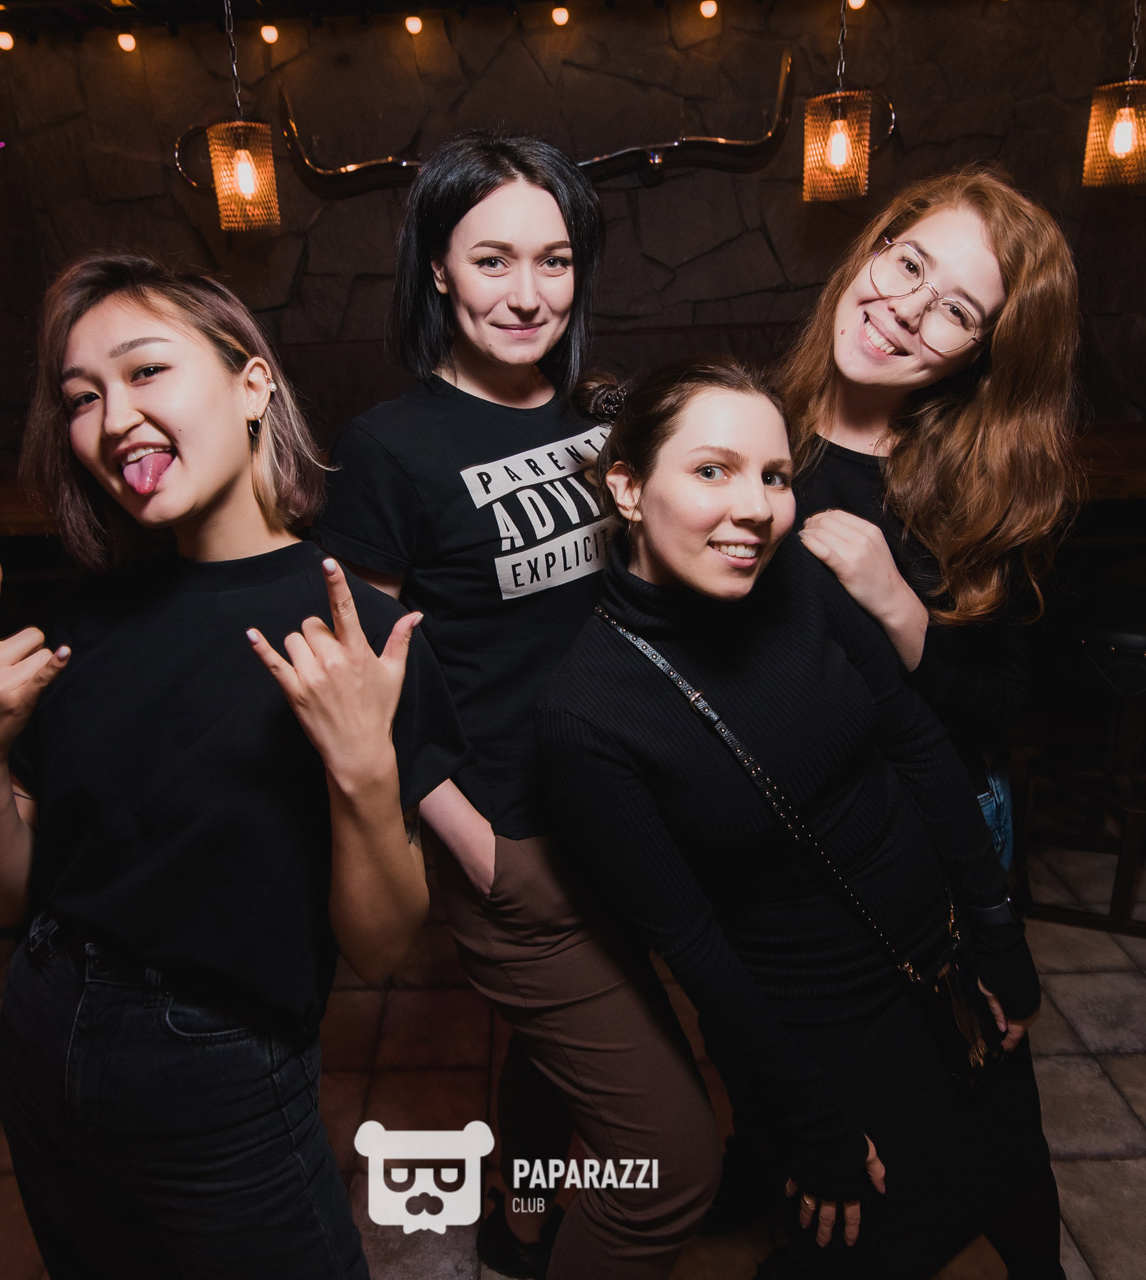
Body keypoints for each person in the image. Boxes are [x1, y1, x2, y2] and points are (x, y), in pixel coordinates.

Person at [0, 253, 466, 1280]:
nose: (114, 419)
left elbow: (382, 946)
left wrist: (361, 769)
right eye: (82, 397)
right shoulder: (78, 627)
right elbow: (5, 893)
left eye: (145, 371)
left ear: (252, 386)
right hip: (40, 1034)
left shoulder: (360, 635)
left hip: (217, 1074)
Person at [536, 359, 1063, 1279]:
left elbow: (915, 742)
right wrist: (806, 1117)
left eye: (775, 476)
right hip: (829, 1033)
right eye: (713, 470)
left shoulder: (804, 583)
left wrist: (995, 932)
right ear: (627, 488)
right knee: (877, 1246)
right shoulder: (586, 716)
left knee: (1022, 1199)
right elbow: (693, 945)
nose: (755, 508)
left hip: (949, 962)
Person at [315, 133, 720, 1280]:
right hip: (515, 838)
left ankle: (519, 1223)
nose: (527, 292)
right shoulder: (389, 447)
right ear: (438, 271)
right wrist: (471, 842)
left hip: (628, 817)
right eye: (491, 260)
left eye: (554, 259)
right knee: (672, 1157)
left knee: (557, 1056)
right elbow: (366, 666)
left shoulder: (604, 413)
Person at [780, 167, 1079, 871]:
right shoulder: (757, 426)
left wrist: (897, 606)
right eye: (910, 265)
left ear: (982, 359)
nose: (907, 309)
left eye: (958, 313)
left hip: (924, 831)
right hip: (788, 829)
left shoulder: (975, 493)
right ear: (875, 249)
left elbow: (1003, 704)